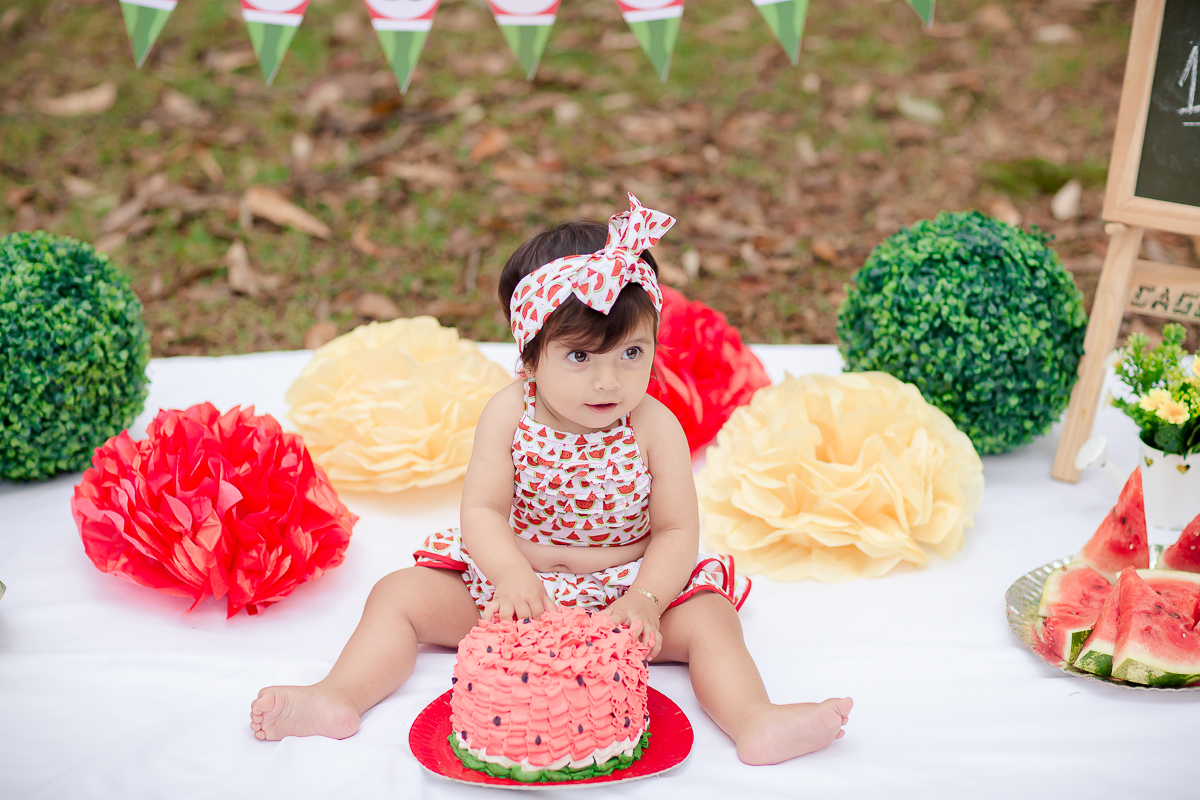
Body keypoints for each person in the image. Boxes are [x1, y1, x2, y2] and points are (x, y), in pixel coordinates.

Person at [250, 194, 852, 765]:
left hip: (623, 593)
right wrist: (510, 577)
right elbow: (483, 510)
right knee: (397, 595)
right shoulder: (509, 412)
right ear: (530, 356)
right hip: (515, 592)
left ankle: (754, 718)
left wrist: (645, 599)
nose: (610, 382)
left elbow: (674, 528)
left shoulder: (653, 426)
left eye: (631, 354)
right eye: (581, 357)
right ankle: (339, 696)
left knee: (711, 620)